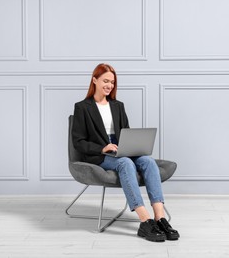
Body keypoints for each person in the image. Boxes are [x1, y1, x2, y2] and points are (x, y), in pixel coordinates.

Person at [72, 63, 179, 242]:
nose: (109, 85)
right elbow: (78, 142)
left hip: (122, 149)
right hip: (101, 155)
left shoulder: (118, 106)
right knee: (126, 163)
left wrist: (131, 146)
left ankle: (160, 219)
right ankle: (145, 221)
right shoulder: (82, 107)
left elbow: (126, 132)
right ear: (94, 80)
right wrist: (102, 148)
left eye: (112, 82)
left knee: (148, 161)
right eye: (105, 81)